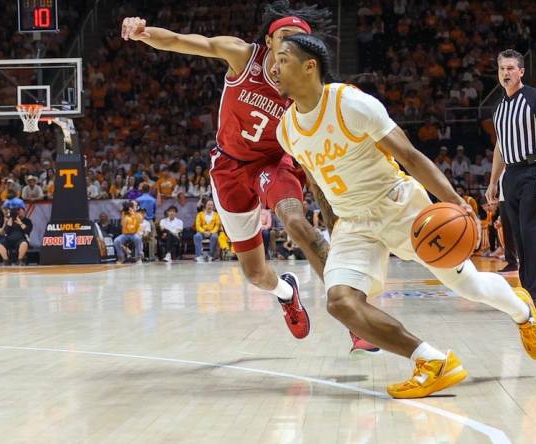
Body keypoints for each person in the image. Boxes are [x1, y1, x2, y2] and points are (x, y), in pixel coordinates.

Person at [272, 34, 536, 399]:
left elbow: (411, 156)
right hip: (353, 221)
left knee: (467, 285)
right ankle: (432, 361)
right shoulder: (285, 130)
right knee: (340, 301)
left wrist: (456, 203)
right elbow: (318, 181)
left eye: (283, 59)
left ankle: (522, 310)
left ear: (310, 66)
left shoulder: (351, 103)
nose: (273, 68)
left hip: (398, 205)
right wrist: (333, 222)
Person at [122, 1, 377, 349]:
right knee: (256, 275)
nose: (291, 46)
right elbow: (182, 41)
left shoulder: (305, 89)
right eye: (285, 37)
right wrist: (143, 32)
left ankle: (355, 318)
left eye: (300, 41)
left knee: (297, 224)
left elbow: (314, 157)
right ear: (270, 41)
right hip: (228, 167)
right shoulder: (243, 56)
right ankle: (287, 293)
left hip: (273, 164)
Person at [486, 49, 536, 312]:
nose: (505, 73)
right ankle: (526, 291)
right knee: (517, 236)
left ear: (521, 72)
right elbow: (500, 148)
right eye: (502, 68)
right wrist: (493, 181)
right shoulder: (498, 107)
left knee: (531, 234)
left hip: (534, 171)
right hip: (511, 175)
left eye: (510, 68)